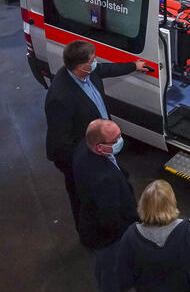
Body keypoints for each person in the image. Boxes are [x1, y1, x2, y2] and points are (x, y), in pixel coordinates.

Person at [45, 40, 148, 230]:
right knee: (84, 198)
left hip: (98, 147)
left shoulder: (87, 73)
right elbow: (61, 142)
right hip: (81, 155)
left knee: (113, 188)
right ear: (81, 66)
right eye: (92, 60)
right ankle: (91, 233)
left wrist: (134, 66)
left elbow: (105, 69)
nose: (95, 63)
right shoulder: (60, 97)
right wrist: (85, 162)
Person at [73, 119, 142, 292]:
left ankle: (107, 291)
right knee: (110, 272)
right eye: (116, 139)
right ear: (100, 147)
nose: (121, 140)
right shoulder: (103, 179)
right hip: (107, 236)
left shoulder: (83, 149)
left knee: (103, 268)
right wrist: (131, 231)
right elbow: (110, 218)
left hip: (92, 226)